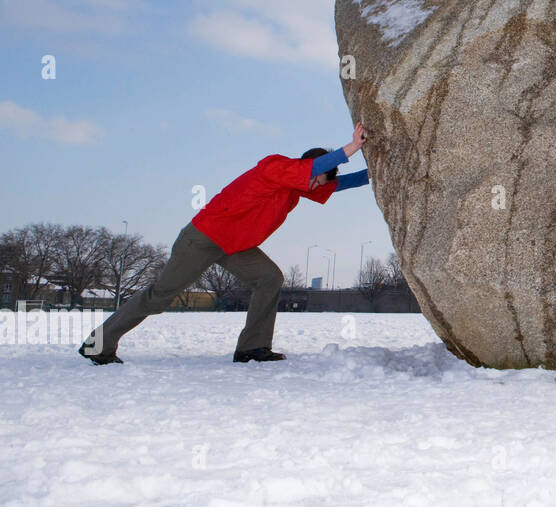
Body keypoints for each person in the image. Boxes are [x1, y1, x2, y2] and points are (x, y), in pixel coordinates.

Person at [78, 122, 371, 365]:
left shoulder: (296, 188)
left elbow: (341, 183)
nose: (315, 187)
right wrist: (352, 147)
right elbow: (317, 167)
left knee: (269, 278)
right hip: (203, 238)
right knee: (160, 295)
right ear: (306, 167)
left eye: (318, 184)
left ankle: (252, 347)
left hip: (235, 246)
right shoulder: (276, 167)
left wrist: (377, 172)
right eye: (316, 179)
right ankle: (98, 344)